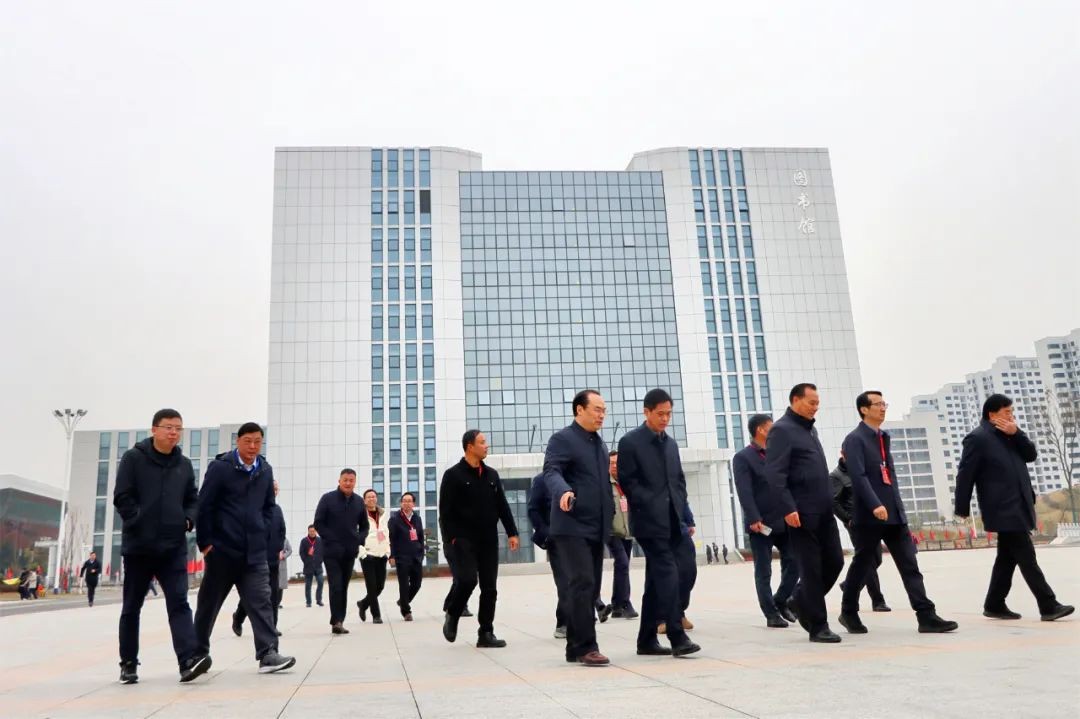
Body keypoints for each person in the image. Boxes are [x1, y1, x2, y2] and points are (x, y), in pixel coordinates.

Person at [838, 391, 957, 635]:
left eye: (884, 403)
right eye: (878, 404)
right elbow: (858, 477)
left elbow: (890, 477)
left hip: (893, 514)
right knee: (863, 564)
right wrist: (875, 505)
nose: (883, 408)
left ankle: (926, 615)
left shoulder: (883, 437)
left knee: (910, 564)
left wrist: (899, 510)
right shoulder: (855, 439)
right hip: (869, 515)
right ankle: (848, 612)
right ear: (864, 409)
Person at [955, 393, 1074, 622]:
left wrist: (1016, 433)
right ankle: (1048, 605)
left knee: (1007, 558)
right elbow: (965, 474)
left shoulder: (1010, 435)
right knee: (1026, 555)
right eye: (1006, 412)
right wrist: (962, 507)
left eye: (1012, 411)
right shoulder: (977, 439)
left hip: (1019, 503)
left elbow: (1031, 455)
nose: (1011, 416)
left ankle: (994, 604)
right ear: (992, 415)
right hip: (1001, 508)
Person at [113, 408, 209, 684]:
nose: (173, 432)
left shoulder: (184, 465)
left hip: (173, 547)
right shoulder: (133, 459)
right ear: (154, 429)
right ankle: (128, 663)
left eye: (178, 428)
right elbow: (122, 496)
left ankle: (188, 661)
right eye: (168, 427)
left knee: (179, 603)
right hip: (139, 548)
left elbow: (192, 499)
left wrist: (188, 520)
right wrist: (138, 519)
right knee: (132, 607)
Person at [193, 422, 295, 674]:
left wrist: (263, 531)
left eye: (257, 441)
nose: (252, 446)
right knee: (209, 604)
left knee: (262, 603)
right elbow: (204, 506)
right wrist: (206, 544)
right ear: (238, 441)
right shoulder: (221, 468)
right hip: (222, 552)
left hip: (254, 554)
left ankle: (268, 653)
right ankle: (196, 654)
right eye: (248, 441)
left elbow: (269, 506)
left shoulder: (265, 470)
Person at [618, 388, 701, 658]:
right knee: (668, 573)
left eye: (669, 414)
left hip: (674, 521)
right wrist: (652, 502)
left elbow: (678, 480)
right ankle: (677, 635)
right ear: (647, 412)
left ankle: (646, 640)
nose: (665, 419)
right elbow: (628, 483)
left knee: (658, 580)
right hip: (648, 523)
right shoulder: (630, 442)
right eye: (660, 414)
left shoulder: (671, 444)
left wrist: (680, 504)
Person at [765, 383, 844, 643]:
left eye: (817, 402)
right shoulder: (781, 430)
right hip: (801, 512)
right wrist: (788, 507)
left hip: (824, 510)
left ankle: (799, 600)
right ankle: (818, 626)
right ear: (795, 400)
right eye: (811, 402)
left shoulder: (811, 430)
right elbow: (775, 474)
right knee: (810, 569)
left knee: (835, 561)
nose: (816, 407)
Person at [543, 390, 614, 666]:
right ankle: (587, 647)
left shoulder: (599, 445)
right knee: (582, 582)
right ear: (579, 410)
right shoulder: (563, 439)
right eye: (597, 409)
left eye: (604, 410)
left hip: (596, 526)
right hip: (571, 524)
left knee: (589, 587)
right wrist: (563, 491)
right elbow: (551, 471)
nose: (602, 415)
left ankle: (574, 646)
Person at [440, 430, 520, 647]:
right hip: (463, 539)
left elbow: (502, 505)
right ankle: (453, 612)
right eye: (482, 442)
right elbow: (445, 512)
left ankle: (486, 633)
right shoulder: (453, 475)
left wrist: (512, 532)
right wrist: (450, 539)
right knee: (467, 580)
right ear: (470, 446)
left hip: (488, 539)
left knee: (490, 588)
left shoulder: (491, 475)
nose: (487, 446)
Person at [733, 413, 799, 628]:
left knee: (795, 562)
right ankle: (771, 614)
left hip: (785, 518)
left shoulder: (778, 454)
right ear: (761, 430)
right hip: (761, 524)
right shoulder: (743, 457)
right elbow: (744, 491)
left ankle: (781, 600)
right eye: (772, 426)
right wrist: (753, 517)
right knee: (764, 571)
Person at [831, 451, 890, 613]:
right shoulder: (836, 476)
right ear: (843, 455)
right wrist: (848, 519)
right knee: (868, 561)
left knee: (876, 559)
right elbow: (834, 502)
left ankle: (850, 585)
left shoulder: (862, 472)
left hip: (871, 520)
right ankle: (878, 600)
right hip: (855, 524)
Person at [313, 468, 369, 634]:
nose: (348, 483)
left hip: (349, 552)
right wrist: (332, 539)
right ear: (339, 481)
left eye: (351, 480)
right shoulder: (327, 499)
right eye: (345, 480)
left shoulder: (359, 502)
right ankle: (336, 621)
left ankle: (340, 620)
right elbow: (318, 523)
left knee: (343, 586)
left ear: (355, 482)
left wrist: (358, 539)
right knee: (336, 585)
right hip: (331, 551)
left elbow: (364, 526)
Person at [232, 479, 287, 637]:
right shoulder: (253, 508)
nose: (274, 492)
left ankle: (272, 627)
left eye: (276, 489)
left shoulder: (277, 510)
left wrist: (279, 548)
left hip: (273, 559)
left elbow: (282, 531)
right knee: (253, 594)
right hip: (256, 559)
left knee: (274, 595)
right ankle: (238, 617)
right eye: (272, 488)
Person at [528, 471, 567, 638]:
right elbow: (533, 510)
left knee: (584, 580)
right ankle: (564, 622)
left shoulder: (577, 475)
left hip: (580, 536)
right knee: (564, 582)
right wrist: (547, 533)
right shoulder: (542, 480)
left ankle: (581, 619)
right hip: (556, 540)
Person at [658, 501, 698, 635]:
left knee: (688, 572)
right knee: (663, 575)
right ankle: (662, 618)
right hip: (657, 529)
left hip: (680, 529)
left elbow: (680, 495)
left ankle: (679, 612)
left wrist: (689, 520)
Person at [606, 451, 638, 619]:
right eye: (611, 463)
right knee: (623, 563)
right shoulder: (605, 484)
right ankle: (625, 603)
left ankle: (616, 605)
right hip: (612, 532)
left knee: (622, 566)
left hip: (627, 531)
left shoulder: (627, 482)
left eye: (617, 463)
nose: (614, 466)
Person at [388, 492, 425, 621]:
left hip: (416, 556)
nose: (407, 503)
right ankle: (406, 611)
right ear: (401, 503)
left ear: (413, 504)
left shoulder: (417, 518)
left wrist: (421, 552)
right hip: (401, 557)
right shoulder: (395, 519)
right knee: (403, 585)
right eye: (404, 501)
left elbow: (420, 537)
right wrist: (392, 555)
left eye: (409, 501)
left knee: (417, 584)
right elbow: (391, 538)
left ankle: (403, 601)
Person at [356, 489, 390, 624]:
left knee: (380, 586)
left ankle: (363, 604)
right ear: (364, 500)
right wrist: (362, 553)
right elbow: (355, 535)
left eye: (374, 496)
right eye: (369, 497)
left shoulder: (383, 514)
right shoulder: (359, 515)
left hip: (381, 554)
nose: (372, 499)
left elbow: (386, 533)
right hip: (367, 555)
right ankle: (376, 615)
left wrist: (387, 551)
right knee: (371, 586)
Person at [298, 525, 324, 608]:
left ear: (316, 531)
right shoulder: (304, 541)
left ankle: (319, 600)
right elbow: (301, 553)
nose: (312, 533)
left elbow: (323, 551)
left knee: (320, 582)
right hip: (308, 566)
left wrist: (320, 560)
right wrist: (306, 560)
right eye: (310, 531)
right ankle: (308, 602)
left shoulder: (320, 540)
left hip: (318, 566)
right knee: (308, 585)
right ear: (308, 531)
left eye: (313, 531)